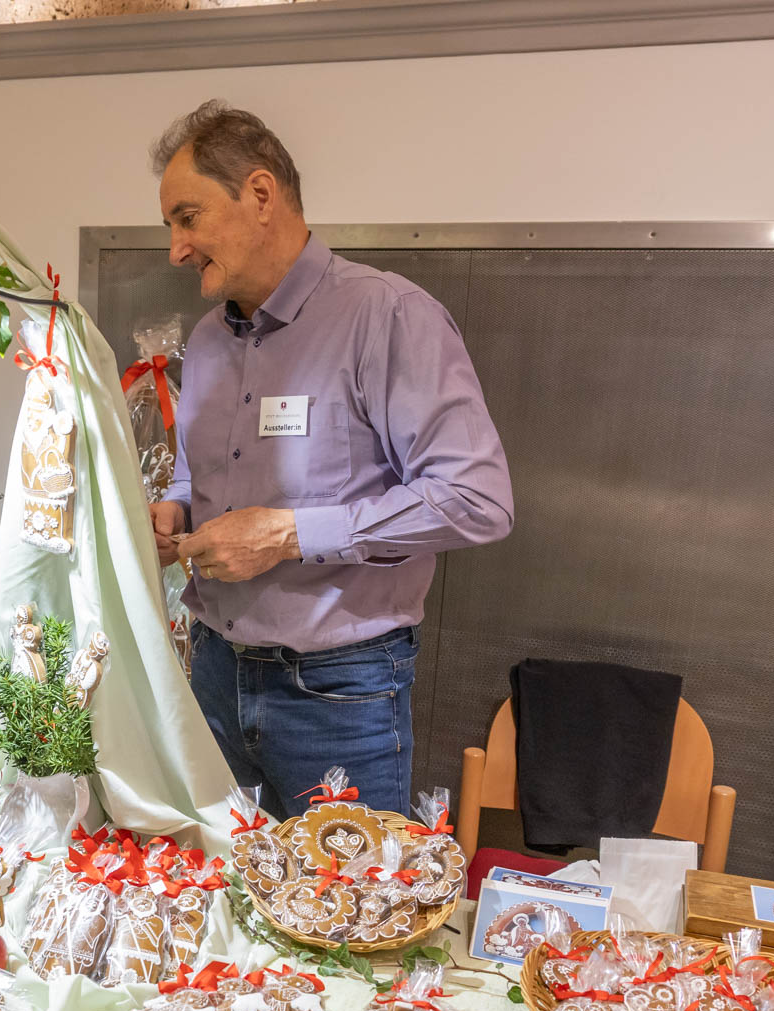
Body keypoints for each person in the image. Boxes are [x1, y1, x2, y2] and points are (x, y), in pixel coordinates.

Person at [147, 102, 514, 820]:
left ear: (260, 194)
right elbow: (201, 471)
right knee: (218, 881)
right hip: (213, 672)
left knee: (342, 891)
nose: (176, 250)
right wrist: (180, 505)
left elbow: (477, 499)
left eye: (187, 218)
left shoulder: (389, 316)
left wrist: (287, 534)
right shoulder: (209, 340)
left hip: (340, 691)